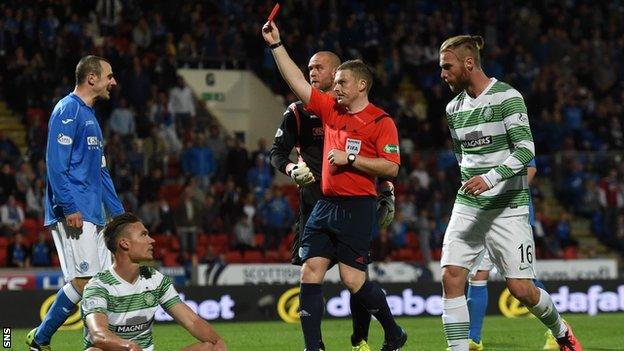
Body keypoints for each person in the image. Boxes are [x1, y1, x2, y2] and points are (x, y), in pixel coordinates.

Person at [262, 21, 406, 351]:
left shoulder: (382, 122)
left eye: (341, 82)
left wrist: (351, 160)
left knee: (352, 280)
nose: (335, 88)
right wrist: (276, 45)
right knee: (310, 271)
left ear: (361, 85)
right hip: (324, 203)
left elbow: (392, 167)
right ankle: (314, 347)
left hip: (358, 205)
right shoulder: (330, 111)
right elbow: (296, 81)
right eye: (335, 81)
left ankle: (393, 332)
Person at [438, 35, 582, 351]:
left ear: (469, 62)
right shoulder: (453, 108)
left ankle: (561, 331)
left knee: (520, 289)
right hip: (469, 205)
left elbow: (525, 148)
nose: (443, 74)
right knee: (451, 275)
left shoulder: (507, 97)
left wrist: (489, 178)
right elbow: (460, 154)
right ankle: (459, 348)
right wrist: (472, 183)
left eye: (447, 67)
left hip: (508, 205)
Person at [27, 55, 125, 351]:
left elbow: (102, 171)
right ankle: (41, 338)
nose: (114, 82)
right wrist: (69, 207)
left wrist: (121, 219)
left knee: (100, 284)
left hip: (95, 213)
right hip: (75, 211)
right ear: (92, 78)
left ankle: (90, 344)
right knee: (85, 283)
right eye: (109, 75)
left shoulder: (91, 118)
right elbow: (55, 165)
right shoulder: (67, 110)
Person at [81, 212, 227, 351]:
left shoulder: (155, 279)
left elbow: (192, 321)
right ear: (125, 244)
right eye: (143, 234)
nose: (152, 240)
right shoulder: (98, 286)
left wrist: (218, 342)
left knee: (209, 347)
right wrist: (129, 347)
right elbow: (98, 334)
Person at [456, 160, 558, 351]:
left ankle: (557, 329)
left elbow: (530, 168)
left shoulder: (511, 131)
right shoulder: (476, 138)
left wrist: (503, 192)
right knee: (478, 275)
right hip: (482, 214)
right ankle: (473, 339)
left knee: (523, 281)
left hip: (513, 215)